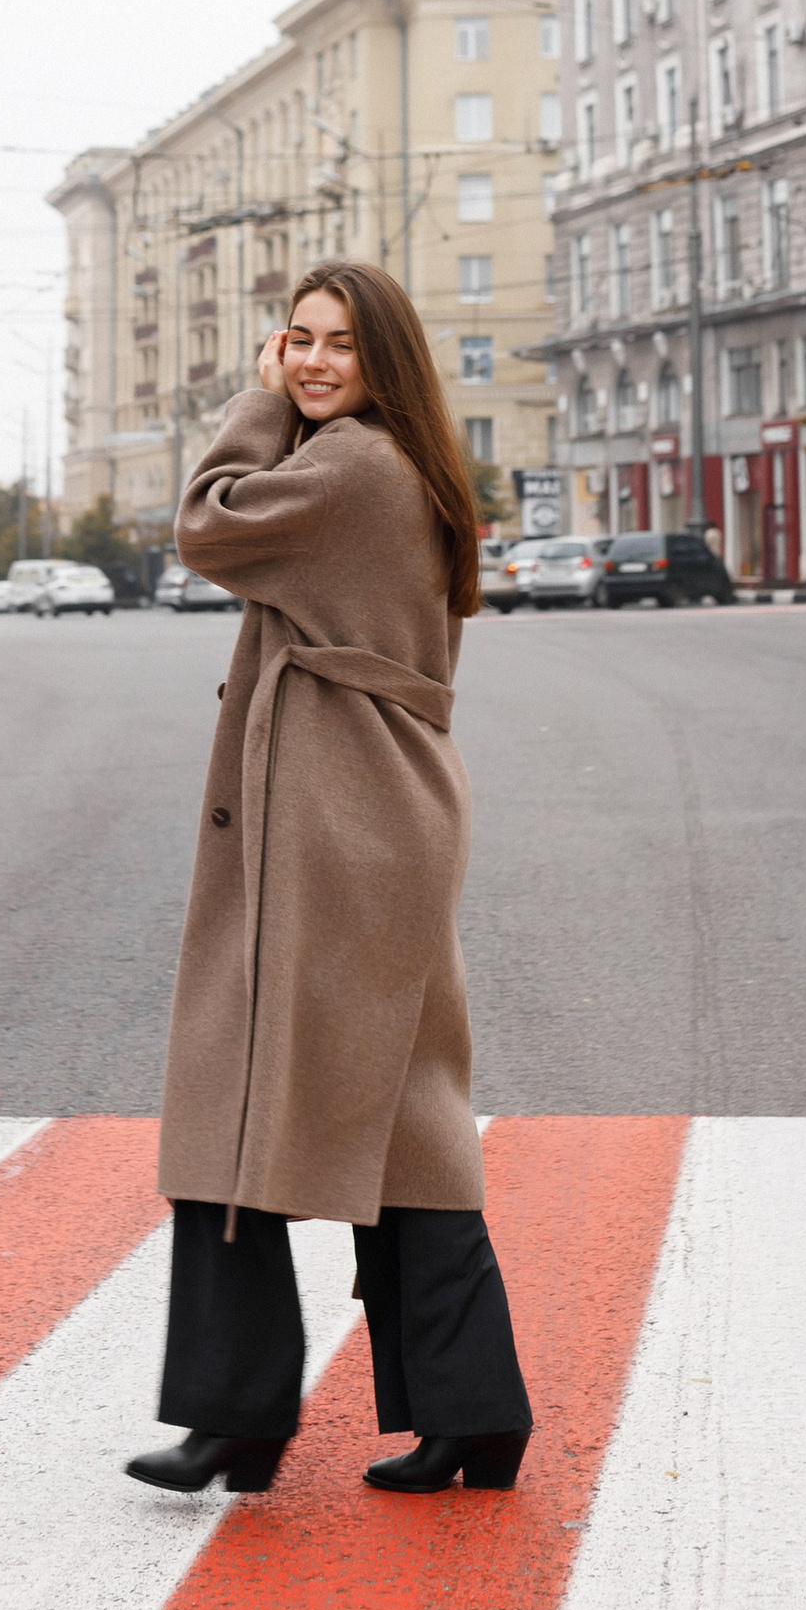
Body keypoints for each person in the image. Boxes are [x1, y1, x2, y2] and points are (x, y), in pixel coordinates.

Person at [126, 259, 532, 1500]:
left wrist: (251, 407)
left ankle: (237, 1412)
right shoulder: (394, 462)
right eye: (293, 340)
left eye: (336, 345)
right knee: (403, 1120)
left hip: (338, 814)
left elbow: (206, 523)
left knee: (232, 1091)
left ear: (382, 362)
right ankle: (472, 1409)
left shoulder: (348, 464)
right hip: (372, 805)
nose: (307, 362)